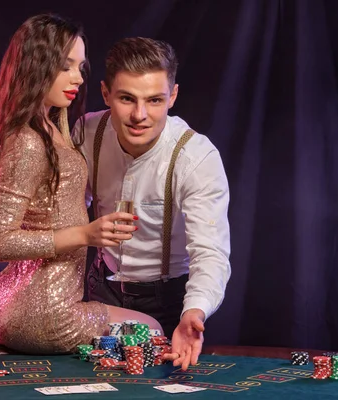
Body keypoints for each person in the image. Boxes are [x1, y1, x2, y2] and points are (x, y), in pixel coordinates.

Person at [0, 15, 162, 354]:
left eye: (80, 67)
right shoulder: (29, 141)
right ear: (35, 67)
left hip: (15, 306)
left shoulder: (49, 129)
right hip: (47, 314)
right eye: (65, 67)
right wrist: (85, 234)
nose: (77, 77)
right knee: (152, 329)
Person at [80, 37, 231, 369]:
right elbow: (64, 207)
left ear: (172, 96)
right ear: (106, 94)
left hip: (170, 301)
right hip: (101, 290)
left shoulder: (196, 157)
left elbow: (211, 253)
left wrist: (194, 310)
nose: (139, 115)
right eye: (126, 99)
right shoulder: (87, 133)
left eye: (155, 100)